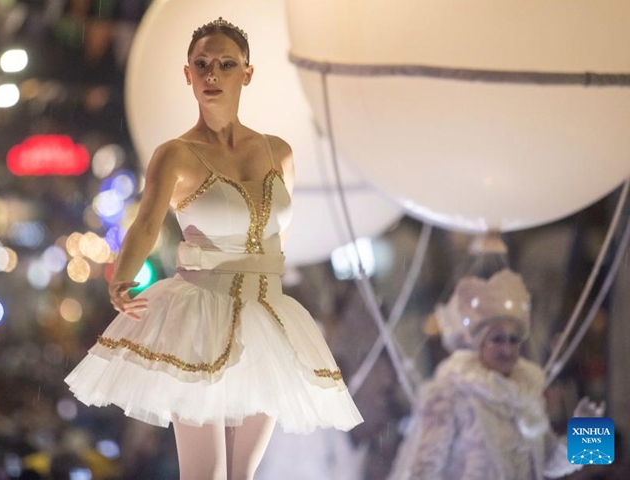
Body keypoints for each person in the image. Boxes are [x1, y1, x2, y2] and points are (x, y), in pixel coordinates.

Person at [65, 17, 362, 479]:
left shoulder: (279, 152)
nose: (212, 75)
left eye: (226, 64)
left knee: (242, 473)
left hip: (267, 319)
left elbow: (278, 239)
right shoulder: (175, 154)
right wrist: (122, 276)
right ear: (187, 74)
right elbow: (146, 222)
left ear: (247, 72)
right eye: (202, 64)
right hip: (199, 316)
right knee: (206, 474)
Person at [387, 269, 604, 480]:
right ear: (479, 343)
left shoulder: (527, 393)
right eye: (498, 339)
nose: (507, 349)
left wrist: (587, 432)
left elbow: (548, 465)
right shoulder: (449, 393)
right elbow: (422, 470)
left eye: (513, 340)